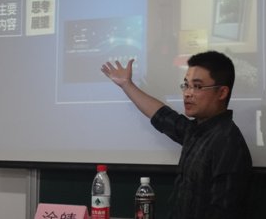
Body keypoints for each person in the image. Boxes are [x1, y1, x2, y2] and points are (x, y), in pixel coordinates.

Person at [101, 50, 252, 219]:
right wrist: (127, 85)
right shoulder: (197, 131)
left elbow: (224, 211)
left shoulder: (227, 142)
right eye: (186, 85)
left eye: (197, 86)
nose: (187, 93)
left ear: (222, 93)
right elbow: (162, 116)